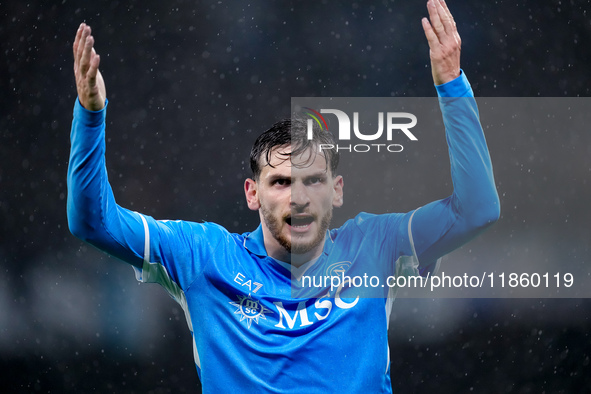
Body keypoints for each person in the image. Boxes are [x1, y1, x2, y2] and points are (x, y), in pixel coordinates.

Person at [67, 0, 499, 392]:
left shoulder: (376, 246)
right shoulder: (203, 256)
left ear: (337, 191)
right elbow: (92, 222)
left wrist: (452, 85)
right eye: (280, 182)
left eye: (313, 181)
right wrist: (90, 114)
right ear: (252, 194)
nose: (298, 198)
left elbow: (478, 209)